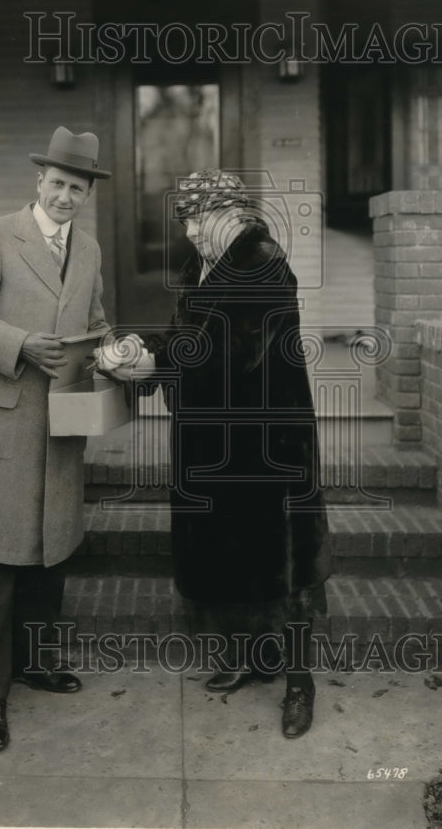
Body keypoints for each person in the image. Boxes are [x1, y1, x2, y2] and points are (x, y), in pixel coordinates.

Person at [105, 170, 331, 739]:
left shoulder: (262, 263)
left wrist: (157, 366)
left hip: (269, 442)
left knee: (286, 561)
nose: (191, 231)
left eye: (200, 218)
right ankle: (249, 659)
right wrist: (143, 348)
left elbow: (234, 353)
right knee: (234, 548)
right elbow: (188, 334)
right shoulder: (202, 267)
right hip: (217, 442)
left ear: (233, 214)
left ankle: (298, 685)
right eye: (185, 219)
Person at [0, 126, 111, 752]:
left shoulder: (87, 249)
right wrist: (18, 344)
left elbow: (94, 320)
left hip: (60, 424)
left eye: (77, 188)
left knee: (47, 556)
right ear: (38, 182)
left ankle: (34, 664)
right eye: (57, 184)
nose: (65, 197)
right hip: (1, 422)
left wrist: (112, 350)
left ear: (87, 194)